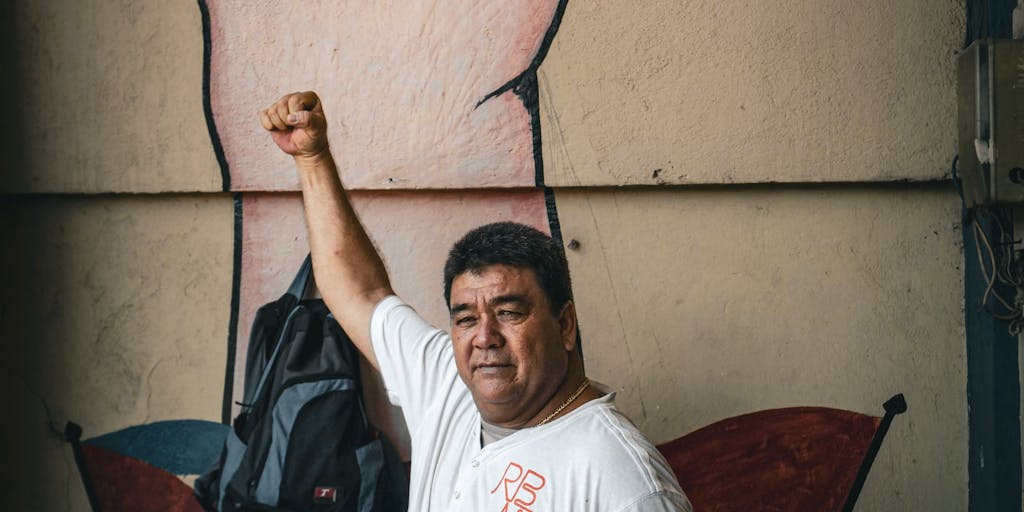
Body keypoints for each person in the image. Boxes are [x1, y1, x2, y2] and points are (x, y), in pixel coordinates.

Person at [259, 91, 692, 511]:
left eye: (508, 312)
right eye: (465, 318)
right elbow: (360, 292)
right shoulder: (447, 380)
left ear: (565, 325)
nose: (484, 337)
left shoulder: (624, 480)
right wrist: (312, 159)